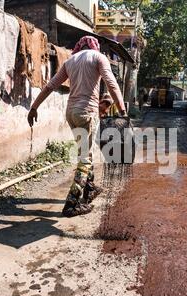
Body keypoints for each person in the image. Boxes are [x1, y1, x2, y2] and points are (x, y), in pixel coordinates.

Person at [28, 36, 127, 218]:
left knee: (84, 152)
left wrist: (34, 107)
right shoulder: (98, 57)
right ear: (94, 46)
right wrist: (122, 110)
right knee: (85, 159)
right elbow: (111, 83)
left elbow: (50, 86)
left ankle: (89, 189)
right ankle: (72, 204)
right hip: (86, 113)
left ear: (79, 46)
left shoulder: (70, 61)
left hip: (71, 113)